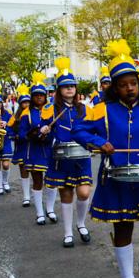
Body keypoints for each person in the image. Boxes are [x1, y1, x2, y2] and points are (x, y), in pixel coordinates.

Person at [73, 40, 139, 278]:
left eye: (133, 83)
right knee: (123, 228)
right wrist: (99, 143)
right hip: (116, 177)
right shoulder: (102, 110)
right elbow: (78, 130)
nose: (130, 89)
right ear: (115, 87)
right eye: (124, 85)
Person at [41, 58, 93, 247]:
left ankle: (81, 223)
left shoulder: (85, 109)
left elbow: (92, 130)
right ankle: (68, 232)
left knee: (84, 192)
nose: (69, 89)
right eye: (65, 86)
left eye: (72, 86)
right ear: (59, 90)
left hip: (81, 157)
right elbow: (42, 131)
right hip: (61, 158)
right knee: (66, 194)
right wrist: (44, 130)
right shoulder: (50, 109)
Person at [20, 74, 55, 224]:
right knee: (37, 180)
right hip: (34, 150)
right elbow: (22, 133)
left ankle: (50, 209)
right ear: (32, 96)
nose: (40, 97)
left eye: (42, 94)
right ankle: (40, 212)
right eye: (36, 95)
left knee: (52, 180)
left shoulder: (52, 110)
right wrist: (34, 132)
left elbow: (59, 129)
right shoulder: (26, 113)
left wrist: (49, 132)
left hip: (50, 149)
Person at [9, 85, 33, 207]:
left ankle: (37, 194)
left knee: (36, 171)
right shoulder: (15, 116)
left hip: (34, 146)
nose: (27, 104)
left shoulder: (35, 113)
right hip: (21, 146)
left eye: (28, 102)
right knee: (23, 170)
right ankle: (26, 196)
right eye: (24, 102)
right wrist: (14, 136)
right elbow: (9, 129)